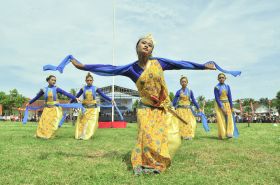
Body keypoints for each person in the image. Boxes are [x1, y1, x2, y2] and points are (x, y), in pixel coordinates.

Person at [44, 34, 241, 174]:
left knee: (168, 139)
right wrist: (83, 66)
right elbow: (110, 69)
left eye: (150, 45)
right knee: (146, 136)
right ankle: (146, 163)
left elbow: (180, 63)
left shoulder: (159, 63)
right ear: (137, 47)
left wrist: (201, 66)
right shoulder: (130, 69)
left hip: (162, 109)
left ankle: (157, 161)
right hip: (146, 109)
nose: (147, 46)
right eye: (143, 43)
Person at [73, 72, 113, 140]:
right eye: (88, 80)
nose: (89, 82)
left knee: (91, 123)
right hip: (84, 109)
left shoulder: (95, 88)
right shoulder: (83, 89)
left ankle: (88, 135)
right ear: (85, 81)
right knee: (83, 123)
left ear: (92, 81)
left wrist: (110, 99)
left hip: (93, 109)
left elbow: (103, 95)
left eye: (90, 80)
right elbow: (76, 96)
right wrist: (70, 102)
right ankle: (82, 135)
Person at [172, 76, 202, 140]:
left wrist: (198, 107)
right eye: (182, 82)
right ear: (180, 83)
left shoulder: (190, 91)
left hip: (188, 110)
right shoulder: (178, 92)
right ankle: (182, 135)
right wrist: (171, 107)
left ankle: (188, 135)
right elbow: (174, 101)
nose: (183, 83)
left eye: (185, 82)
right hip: (180, 110)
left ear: (187, 83)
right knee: (181, 123)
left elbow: (193, 100)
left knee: (188, 122)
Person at [214, 73, 238, 139]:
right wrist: (222, 108)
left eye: (222, 77)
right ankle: (221, 134)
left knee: (229, 119)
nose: (221, 79)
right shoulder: (216, 87)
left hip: (227, 104)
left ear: (225, 78)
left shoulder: (227, 86)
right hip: (219, 105)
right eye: (220, 78)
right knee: (221, 119)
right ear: (218, 79)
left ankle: (229, 133)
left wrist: (231, 107)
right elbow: (217, 98)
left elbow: (230, 97)